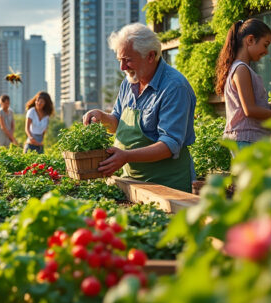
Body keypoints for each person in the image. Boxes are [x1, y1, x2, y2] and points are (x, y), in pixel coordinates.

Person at [83, 23, 196, 192]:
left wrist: (126, 156)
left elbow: (169, 144)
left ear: (151, 56)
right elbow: (117, 123)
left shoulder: (174, 87)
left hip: (167, 185)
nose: (122, 67)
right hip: (132, 183)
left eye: (128, 60)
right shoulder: (128, 83)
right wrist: (102, 117)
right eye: (120, 60)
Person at [215, 19, 271, 150]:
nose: (267, 51)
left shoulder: (239, 68)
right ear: (250, 40)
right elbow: (250, 110)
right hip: (247, 140)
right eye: (265, 44)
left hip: (245, 139)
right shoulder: (241, 69)